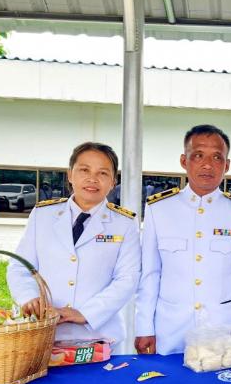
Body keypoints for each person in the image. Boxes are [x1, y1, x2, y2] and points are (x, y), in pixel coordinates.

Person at [135, 125, 231, 355]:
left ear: (227, 165)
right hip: (171, 328)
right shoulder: (158, 210)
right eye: (198, 155)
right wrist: (144, 327)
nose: (207, 165)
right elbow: (150, 273)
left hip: (225, 326)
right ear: (184, 161)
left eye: (217, 157)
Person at [7, 142, 140, 345]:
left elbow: (127, 279)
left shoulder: (124, 223)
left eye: (102, 173)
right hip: (44, 333)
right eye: (84, 170)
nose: (92, 179)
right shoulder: (43, 215)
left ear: (113, 181)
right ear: (70, 175)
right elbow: (20, 266)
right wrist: (29, 298)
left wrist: (84, 313)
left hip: (100, 337)